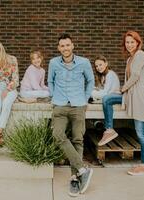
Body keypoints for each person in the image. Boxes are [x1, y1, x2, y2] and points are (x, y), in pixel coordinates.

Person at [48, 33, 95, 197]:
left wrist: (85, 98)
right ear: (58, 48)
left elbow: (90, 81)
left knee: (77, 139)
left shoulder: (84, 62)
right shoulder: (53, 63)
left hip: (78, 105)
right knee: (57, 134)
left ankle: (75, 179)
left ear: (72, 46)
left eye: (67, 45)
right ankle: (83, 169)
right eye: (62, 45)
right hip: (59, 105)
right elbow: (50, 81)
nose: (65, 48)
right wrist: (53, 97)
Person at [99, 30, 144, 176]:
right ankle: (109, 130)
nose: (129, 45)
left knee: (141, 133)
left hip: (139, 99)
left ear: (138, 42)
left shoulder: (140, 55)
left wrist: (122, 89)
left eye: (132, 42)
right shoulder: (130, 59)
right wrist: (121, 91)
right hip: (129, 96)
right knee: (107, 99)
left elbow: (135, 76)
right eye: (127, 42)